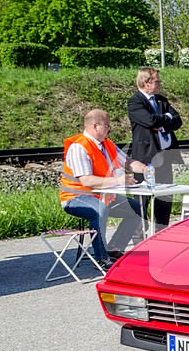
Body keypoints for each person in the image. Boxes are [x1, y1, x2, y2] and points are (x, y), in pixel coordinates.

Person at [60, 109, 147, 270]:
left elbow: (127, 162)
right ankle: (101, 258)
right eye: (107, 125)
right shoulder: (79, 147)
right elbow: (86, 180)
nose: (109, 129)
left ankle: (114, 249)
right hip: (75, 197)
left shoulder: (107, 144)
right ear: (95, 126)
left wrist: (145, 169)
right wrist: (118, 181)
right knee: (100, 209)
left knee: (136, 209)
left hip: (102, 195)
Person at [127, 67, 183, 231]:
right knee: (142, 199)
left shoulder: (161, 100)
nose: (160, 84)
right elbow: (149, 120)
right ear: (146, 82)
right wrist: (166, 118)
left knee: (165, 197)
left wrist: (163, 124)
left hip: (165, 156)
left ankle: (161, 232)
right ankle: (139, 234)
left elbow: (177, 121)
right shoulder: (135, 102)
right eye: (157, 81)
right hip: (146, 159)